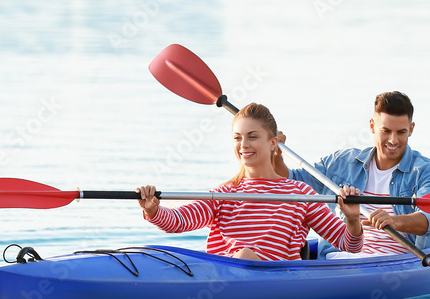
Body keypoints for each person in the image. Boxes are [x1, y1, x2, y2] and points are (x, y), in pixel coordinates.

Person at [136, 103, 364, 261]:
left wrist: (353, 218)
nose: (243, 145)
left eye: (252, 136)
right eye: (237, 138)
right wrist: (153, 209)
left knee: (246, 255)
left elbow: (350, 244)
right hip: (224, 276)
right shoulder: (223, 194)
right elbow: (178, 221)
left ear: (273, 143)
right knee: (242, 255)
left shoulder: (300, 194)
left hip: (274, 280)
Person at [273, 91, 430, 258]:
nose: (393, 140)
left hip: (396, 263)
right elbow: (291, 182)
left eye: (401, 132)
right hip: (339, 259)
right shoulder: (340, 162)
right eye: (385, 131)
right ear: (372, 126)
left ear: (411, 129)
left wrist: (394, 221)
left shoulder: (428, 171)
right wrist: (276, 156)